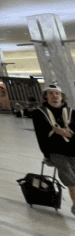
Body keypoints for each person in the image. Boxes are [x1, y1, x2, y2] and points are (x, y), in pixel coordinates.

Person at [31, 85, 75, 215]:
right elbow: (41, 136)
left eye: (57, 93)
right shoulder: (39, 113)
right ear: (46, 96)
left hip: (73, 149)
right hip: (56, 150)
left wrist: (69, 134)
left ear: (62, 96)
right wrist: (46, 155)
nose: (54, 96)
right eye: (50, 93)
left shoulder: (71, 111)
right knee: (69, 177)